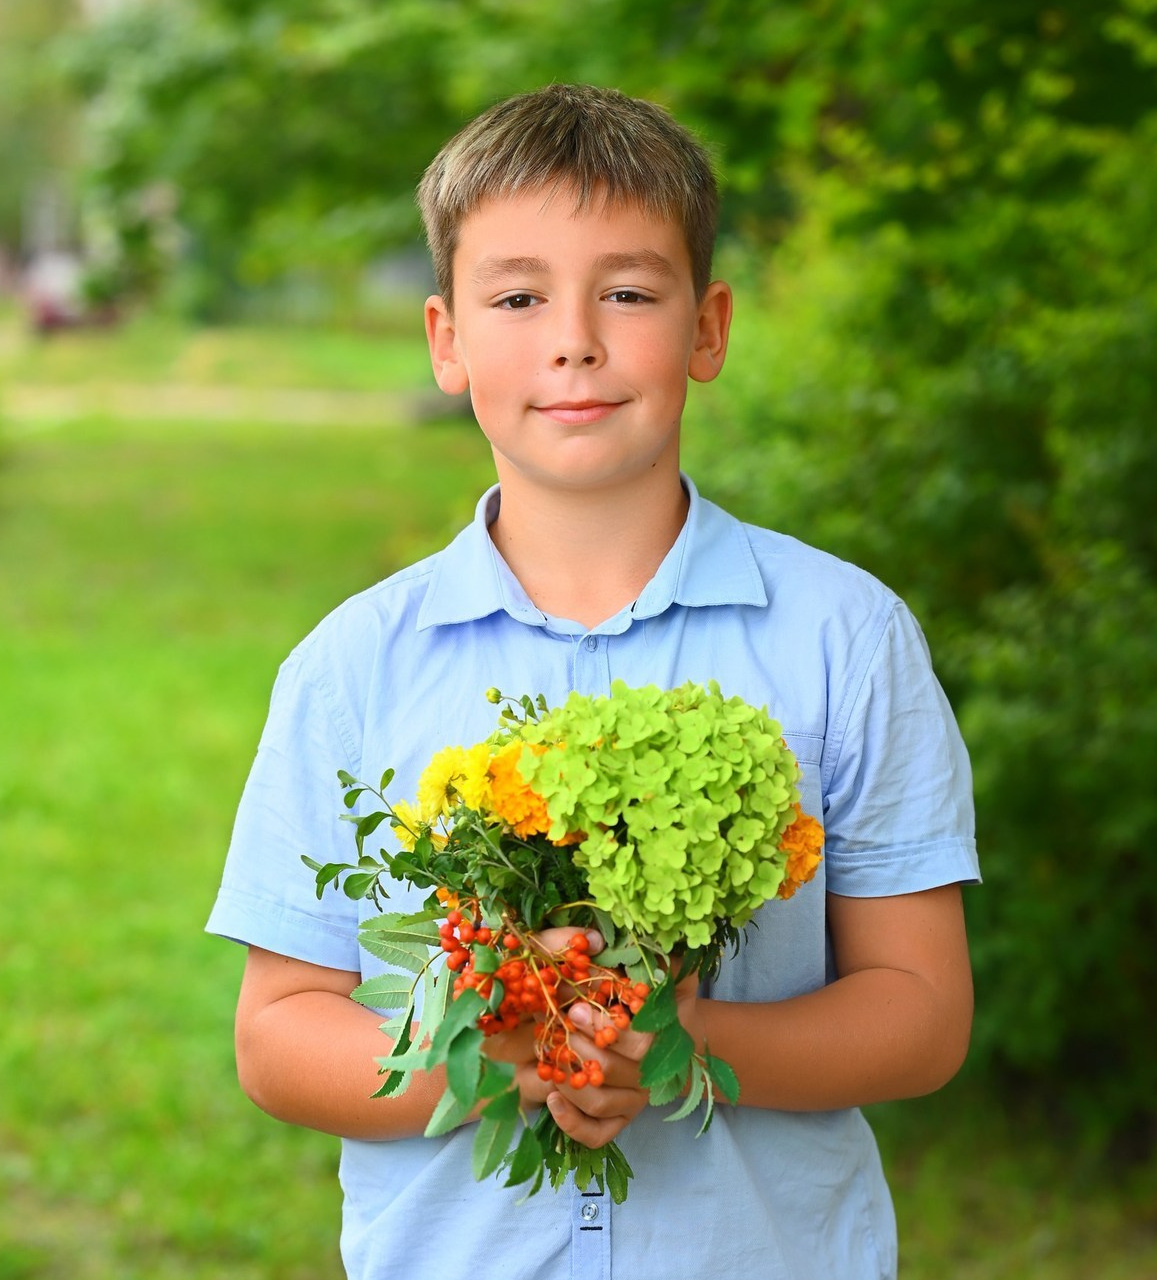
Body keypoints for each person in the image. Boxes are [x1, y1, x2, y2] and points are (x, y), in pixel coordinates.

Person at [206, 83, 979, 1280]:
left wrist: (679, 1040)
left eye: (627, 291)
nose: (574, 337)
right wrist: (497, 1054)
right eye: (517, 296)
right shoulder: (353, 665)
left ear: (707, 327)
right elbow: (275, 1034)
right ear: (445, 340)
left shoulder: (845, 637)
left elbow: (921, 1011)